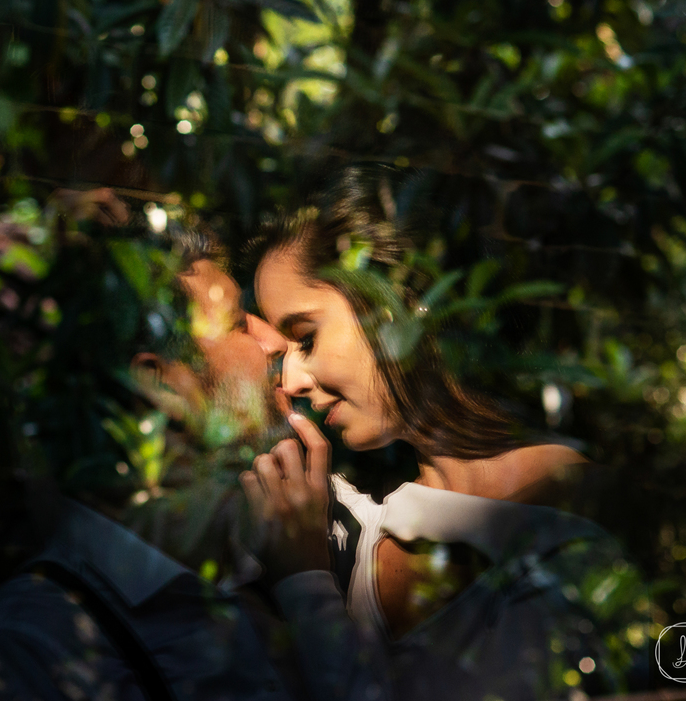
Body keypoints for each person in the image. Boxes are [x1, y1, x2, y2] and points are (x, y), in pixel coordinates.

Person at [240, 168, 649, 701]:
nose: (292, 381)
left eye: (307, 338)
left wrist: (305, 587)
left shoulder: (586, 500)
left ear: (401, 301)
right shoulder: (354, 546)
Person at [0, 212, 389, 701]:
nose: (274, 343)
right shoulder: (35, 642)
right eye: (240, 324)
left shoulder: (267, 556)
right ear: (160, 386)